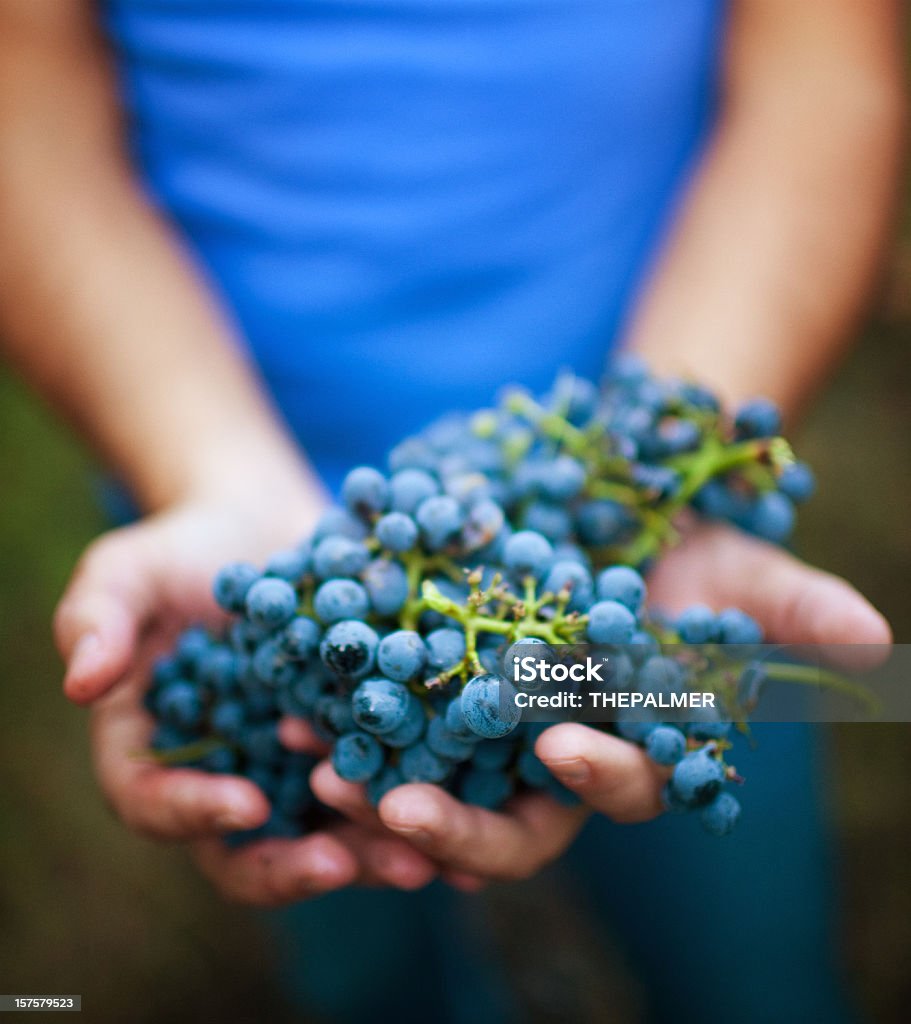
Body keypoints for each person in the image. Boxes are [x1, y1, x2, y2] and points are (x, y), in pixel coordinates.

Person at [0, 0, 902, 1020]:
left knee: (725, 887)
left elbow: (821, 70)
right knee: (342, 893)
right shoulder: (292, 606)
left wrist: (661, 466)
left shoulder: (613, 580)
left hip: (640, 499)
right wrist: (204, 473)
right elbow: (25, 106)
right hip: (223, 483)